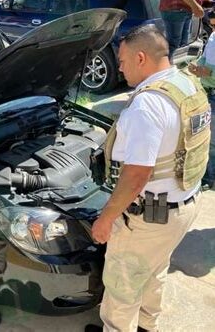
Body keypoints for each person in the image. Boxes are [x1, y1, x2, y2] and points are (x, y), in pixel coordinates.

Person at [85, 25, 209, 332]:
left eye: (123, 61)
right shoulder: (186, 84)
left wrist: (106, 219)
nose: (121, 68)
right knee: (154, 271)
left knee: (121, 291)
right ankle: (146, 326)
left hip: (147, 219)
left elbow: (137, 175)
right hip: (182, 207)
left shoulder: (147, 106)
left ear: (141, 58)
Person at [189, 10, 215, 188]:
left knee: (211, 141)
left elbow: (210, 72)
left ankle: (209, 178)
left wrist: (202, 71)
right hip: (208, 92)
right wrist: (197, 66)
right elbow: (204, 59)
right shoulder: (213, 37)